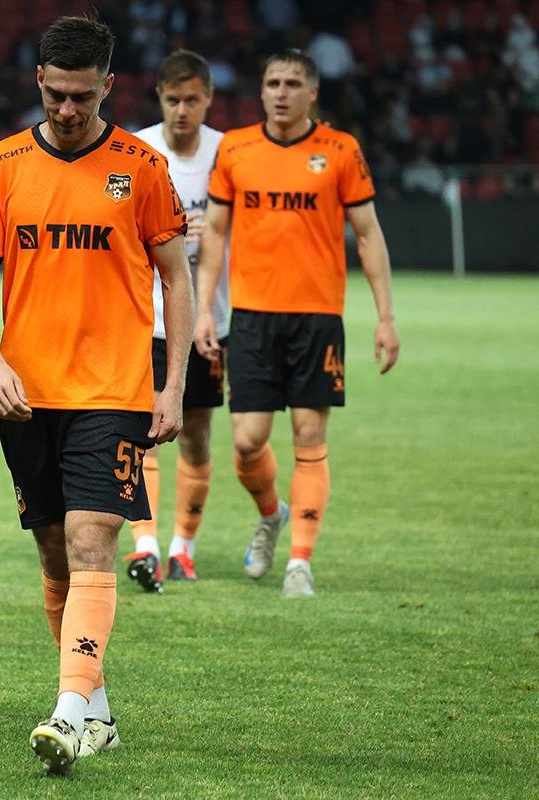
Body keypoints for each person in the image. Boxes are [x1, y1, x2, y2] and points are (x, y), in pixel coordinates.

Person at [0, 15, 192, 775]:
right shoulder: (3, 165)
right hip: (26, 394)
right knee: (55, 552)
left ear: (108, 86)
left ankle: (66, 712)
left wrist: (174, 383)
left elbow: (177, 277)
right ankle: (97, 711)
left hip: (113, 389)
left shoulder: (141, 168)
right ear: (39, 81)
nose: (66, 109)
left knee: (93, 541)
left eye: (81, 97)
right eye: (55, 94)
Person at [195, 49, 400, 598]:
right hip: (253, 316)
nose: (281, 93)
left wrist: (386, 317)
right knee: (247, 441)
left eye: (291, 83)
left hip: (317, 317)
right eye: (272, 83)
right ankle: (271, 514)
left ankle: (299, 564)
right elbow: (214, 232)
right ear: (261, 91)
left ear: (313, 92)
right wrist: (203, 309)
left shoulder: (341, 150)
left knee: (310, 435)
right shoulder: (235, 149)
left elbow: (368, 234)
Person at [123, 49, 227, 591]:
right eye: (172, 100)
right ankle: (145, 545)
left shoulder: (227, 154)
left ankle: (183, 546)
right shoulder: (138, 151)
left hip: (209, 321)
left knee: (195, 435)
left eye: (191, 100)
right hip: (145, 319)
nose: (181, 110)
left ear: (208, 99)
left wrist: (217, 232)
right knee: (140, 433)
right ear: (159, 99)